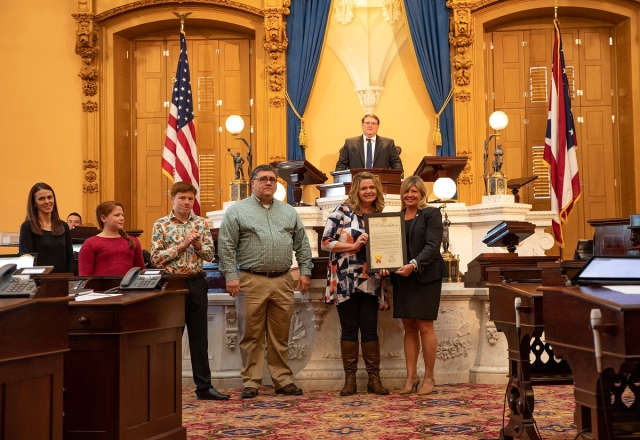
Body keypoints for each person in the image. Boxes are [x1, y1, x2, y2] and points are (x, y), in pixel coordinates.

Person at [218, 164, 313, 399]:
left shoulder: (288, 212)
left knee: (281, 335)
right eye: (263, 179)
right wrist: (230, 276)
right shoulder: (238, 211)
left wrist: (305, 271)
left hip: (282, 281)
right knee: (250, 335)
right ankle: (251, 381)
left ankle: (282, 380)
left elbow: (301, 243)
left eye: (272, 179)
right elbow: (226, 245)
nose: (268, 183)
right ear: (253, 183)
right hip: (250, 280)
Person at [150, 182, 230, 401]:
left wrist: (196, 246)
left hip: (196, 283)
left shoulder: (202, 223)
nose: (186, 202)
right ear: (172, 198)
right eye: (182, 198)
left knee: (199, 337)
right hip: (172, 284)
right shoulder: (161, 225)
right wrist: (182, 246)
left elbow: (209, 256)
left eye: (190, 199)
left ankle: (204, 387)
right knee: (170, 336)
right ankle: (164, 387)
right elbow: (156, 258)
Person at [321, 172, 390, 396]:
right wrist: (352, 246)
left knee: (369, 327)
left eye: (372, 187)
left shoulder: (380, 216)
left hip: (371, 279)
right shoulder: (342, 211)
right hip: (345, 278)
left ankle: (374, 380)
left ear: (377, 190)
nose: (368, 191)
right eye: (363, 188)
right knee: (350, 327)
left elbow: (387, 248)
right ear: (356, 191)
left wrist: (388, 262)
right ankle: (350, 381)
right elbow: (325, 242)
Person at [381, 176, 447, 395]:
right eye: (406, 192)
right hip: (403, 278)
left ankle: (429, 377)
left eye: (414, 191)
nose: (409, 195)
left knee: (425, 326)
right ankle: (411, 377)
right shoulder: (395, 218)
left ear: (421, 194)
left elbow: (432, 246)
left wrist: (414, 264)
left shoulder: (431, 213)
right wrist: (382, 264)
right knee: (408, 326)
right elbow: (388, 247)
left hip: (425, 276)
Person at [19, 182, 75, 273]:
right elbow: (27, 262)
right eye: (41, 199)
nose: (47, 202)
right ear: (34, 203)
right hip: (39, 283)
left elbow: (70, 257)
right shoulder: (27, 227)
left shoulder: (63, 226)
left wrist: (70, 280)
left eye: (49, 197)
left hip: (63, 281)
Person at [78, 201, 145, 276]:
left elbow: (141, 272)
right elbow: (85, 277)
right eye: (117, 215)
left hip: (127, 287)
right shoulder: (90, 243)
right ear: (103, 218)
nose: (122, 218)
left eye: (122, 215)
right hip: (102, 287)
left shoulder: (133, 241)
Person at [335, 114, 403, 171]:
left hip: (381, 184)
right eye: (367, 123)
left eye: (373, 123)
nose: (370, 125)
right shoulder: (350, 143)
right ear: (362, 125)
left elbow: (397, 166)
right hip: (356, 183)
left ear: (378, 126)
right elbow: (341, 166)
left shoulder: (388, 143)